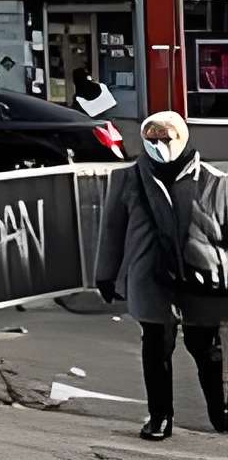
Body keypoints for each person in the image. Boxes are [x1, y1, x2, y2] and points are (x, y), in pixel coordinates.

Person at [96, 109, 228, 440]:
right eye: (151, 139)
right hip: (149, 275)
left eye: (165, 138)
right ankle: (160, 417)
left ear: (181, 137)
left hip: (201, 278)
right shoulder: (127, 179)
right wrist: (105, 274)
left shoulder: (216, 181)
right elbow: (113, 230)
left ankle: (219, 411)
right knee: (156, 347)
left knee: (206, 348)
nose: (159, 144)